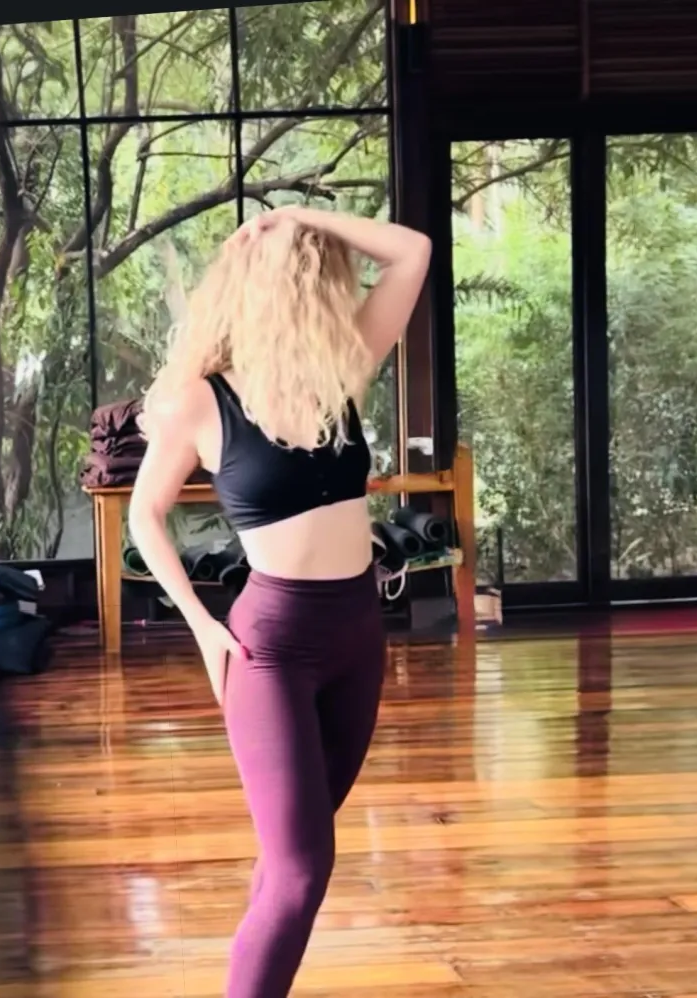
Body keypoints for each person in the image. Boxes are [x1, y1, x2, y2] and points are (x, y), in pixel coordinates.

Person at [127, 205, 431, 998]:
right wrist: (200, 625)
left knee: (288, 859)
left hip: (360, 636)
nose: (323, 284)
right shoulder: (202, 397)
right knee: (303, 870)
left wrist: (298, 211)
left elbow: (412, 252)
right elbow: (143, 515)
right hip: (273, 647)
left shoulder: (344, 370)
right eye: (312, 268)